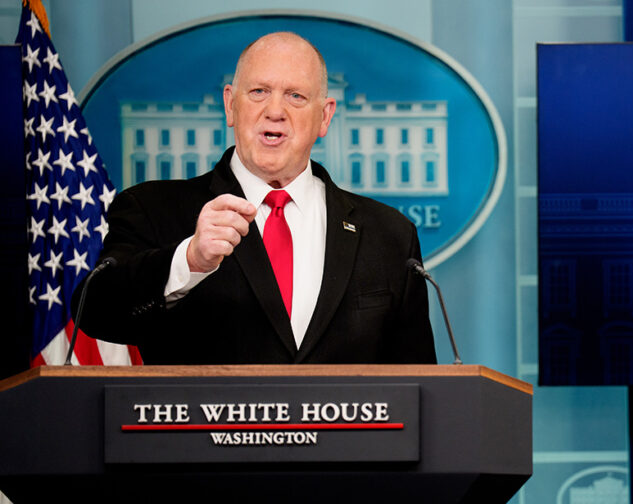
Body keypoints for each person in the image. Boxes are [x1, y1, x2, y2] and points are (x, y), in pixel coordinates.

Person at [72, 32, 436, 365]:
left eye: (296, 96)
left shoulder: (389, 235)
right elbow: (96, 311)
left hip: (347, 439)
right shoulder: (153, 209)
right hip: (202, 436)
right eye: (259, 91)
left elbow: (420, 386)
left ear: (324, 117)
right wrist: (191, 259)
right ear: (231, 105)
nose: (275, 111)